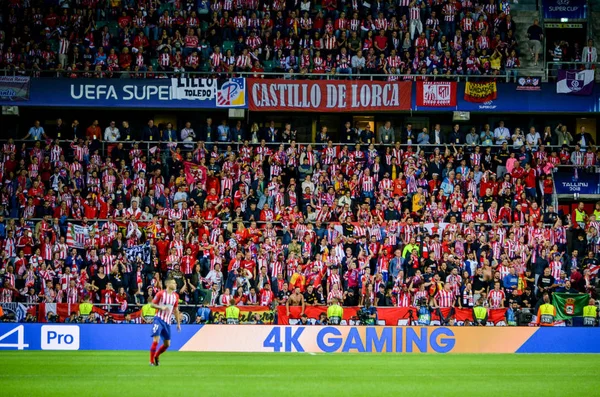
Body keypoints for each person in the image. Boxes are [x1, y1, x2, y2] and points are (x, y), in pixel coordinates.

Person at [149, 278, 181, 366]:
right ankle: (151, 361)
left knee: (167, 344)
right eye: (174, 283)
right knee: (156, 340)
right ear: (168, 284)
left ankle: (156, 355)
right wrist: (161, 307)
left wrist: (178, 323)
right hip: (158, 319)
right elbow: (152, 304)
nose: (175, 285)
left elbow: (176, 310)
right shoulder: (161, 294)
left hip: (167, 322)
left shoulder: (176, 296)